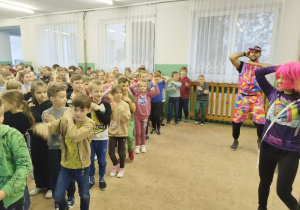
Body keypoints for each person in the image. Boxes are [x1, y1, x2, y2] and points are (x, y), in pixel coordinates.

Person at [252, 61, 300, 210]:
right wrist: (279, 68)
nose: (278, 80)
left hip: (290, 153)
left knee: (283, 191)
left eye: (284, 77)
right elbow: (258, 73)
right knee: (264, 183)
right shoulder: (272, 92)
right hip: (267, 147)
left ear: (294, 79)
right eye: (278, 77)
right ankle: (262, 207)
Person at [34, 93, 94, 210]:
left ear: (88, 110)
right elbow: (53, 126)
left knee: (84, 195)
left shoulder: (89, 123)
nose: (77, 113)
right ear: (71, 108)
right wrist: (41, 128)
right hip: (66, 166)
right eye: (75, 109)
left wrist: (68, 119)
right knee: (58, 195)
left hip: (82, 168)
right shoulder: (65, 120)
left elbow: (74, 136)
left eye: (82, 110)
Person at [42, 85, 76, 210]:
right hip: (53, 149)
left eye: (65, 96)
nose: (65, 99)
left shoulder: (70, 111)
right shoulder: (46, 113)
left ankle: (71, 195)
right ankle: (59, 199)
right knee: (55, 175)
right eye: (61, 97)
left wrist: (54, 121)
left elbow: (70, 131)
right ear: (52, 98)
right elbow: (51, 131)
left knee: (70, 173)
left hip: (68, 148)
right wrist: (60, 122)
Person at [1, 90, 35, 210]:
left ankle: (26, 204)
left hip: (17, 152)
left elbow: (24, 166)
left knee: (22, 183)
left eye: (0, 114)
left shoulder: (19, 119)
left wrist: (5, 192)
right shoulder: (9, 114)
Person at [228, 46, 266, 151]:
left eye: (256, 52)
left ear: (260, 54)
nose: (253, 54)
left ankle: (259, 139)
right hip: (242, 98)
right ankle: (235, 140)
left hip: (256, 98)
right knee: (236, 123)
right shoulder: (242, 65)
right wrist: (245, 53)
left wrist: (258, 65)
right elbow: (231, 57)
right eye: (252, 52)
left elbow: (274, 68)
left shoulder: (262, 68)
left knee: (261, 123)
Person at [28, 81, 52, 199]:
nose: (42, 95)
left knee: (47, 162)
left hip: (46, 139)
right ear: (33, 93)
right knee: (36, 162)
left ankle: (50, 186)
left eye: (44, 92)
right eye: (39, 92)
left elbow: (39, 118)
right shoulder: (32, 104)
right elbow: (29, 120)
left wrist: (31, 110)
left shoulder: (48, 104)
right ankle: (40, 184)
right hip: (34, 138)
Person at [87, 80, 111, 190]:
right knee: (90, 161)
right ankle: (91, 178)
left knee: (102, 160)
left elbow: (106, 120)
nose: (99, 93)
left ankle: (101, 178)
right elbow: (85, 121)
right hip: (90, 139)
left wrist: (97, 110)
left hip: (102, 138)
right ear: (90, 92)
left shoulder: (106, 105)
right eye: (96, 91)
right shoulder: (87, 105)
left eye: (101, 91)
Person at [130, 80, 159, 153]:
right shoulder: (136, 93)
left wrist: (155, 85)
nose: (143, 88)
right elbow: (131, 87)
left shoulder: (148, 94)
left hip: (145, 116)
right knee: (138, 132)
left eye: (144, 86)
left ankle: (143, 145)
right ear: (138, 87)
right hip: (137, 116)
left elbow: (157, 92)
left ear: (147, 87)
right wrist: (138, 83)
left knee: (143, 132)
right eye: (141, 86)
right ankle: (137, 146)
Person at [108, 84, 131, 178]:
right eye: (116, 93)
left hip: (122, 132)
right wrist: (109, 111)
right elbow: (108, 119)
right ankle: (115, 165)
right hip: (112, 132)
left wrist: (122, 112)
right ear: (112, 94)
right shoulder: (110, 105)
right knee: (111, 152)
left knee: (121, 153)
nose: (119, 94)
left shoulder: (125, 105)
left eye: (120, 92)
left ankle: (122, 168)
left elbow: (127, 119)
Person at [118, 78, 136, 160]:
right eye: (123, 86)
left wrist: (129, 101)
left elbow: (134, 110)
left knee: (129, 136)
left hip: (130, 120)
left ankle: (130, 150)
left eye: (127, 86)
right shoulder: (117, 96)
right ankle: (123, 154)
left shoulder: (130, 96)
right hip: (119, 120)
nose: (125, 88)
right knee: (121, 138)